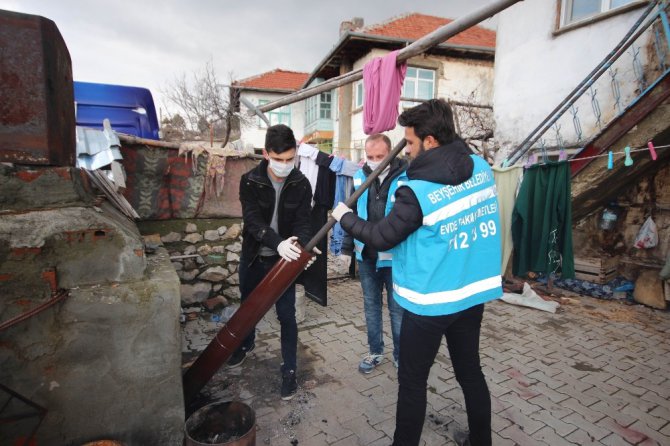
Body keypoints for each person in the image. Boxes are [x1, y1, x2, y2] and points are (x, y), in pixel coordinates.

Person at [332, 99, 502, 446]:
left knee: (412, 383)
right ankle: (482, 441)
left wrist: (344, 218)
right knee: (470, 372)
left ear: (431, 141)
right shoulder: (481, 168)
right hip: (470, 296)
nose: (405, 150)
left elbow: (382, 237)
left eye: (409, 142)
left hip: (430, 304)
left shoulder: (417, 191)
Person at [229, 124, 317, 401]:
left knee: (287, 316)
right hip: (255, 257)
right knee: (248, 308)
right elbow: (252, 221)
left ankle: (290, 370)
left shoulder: (301, 183)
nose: (284, 165)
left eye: (290, 159)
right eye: (278, 159)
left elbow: (304, 222)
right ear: (266, 154)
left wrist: (300, 247)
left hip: (284, 262)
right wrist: (276, 241)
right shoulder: (250, 181)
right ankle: (245, 344)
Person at [341, 133, 407, 373]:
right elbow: (351, 213)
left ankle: (401, 355)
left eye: (381, 156)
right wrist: (348, 248)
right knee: (371, 307)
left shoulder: (405, 177)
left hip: (394, 258)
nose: (375, 161)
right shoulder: (360, 176)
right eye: (370, 157)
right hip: (367, 256)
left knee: (397, 309)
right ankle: (375, 351)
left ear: (392, 153)